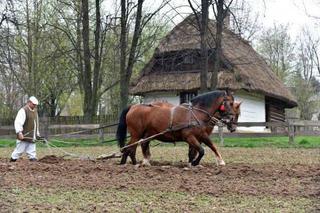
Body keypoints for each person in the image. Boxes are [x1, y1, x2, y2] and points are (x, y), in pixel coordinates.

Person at [10, 96, 41, 162]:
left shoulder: (35, 111)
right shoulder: (23, 110)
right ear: (29, 102)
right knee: (18, 151)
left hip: (32, 137)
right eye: (33, 104)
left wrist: (37, 134)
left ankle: (34, 165)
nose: (35, 106)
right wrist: (19, 133)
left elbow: (36, 124)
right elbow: (18, 122)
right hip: (24, 136)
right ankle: (11, 162)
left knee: (32, 152)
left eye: (35, 105)